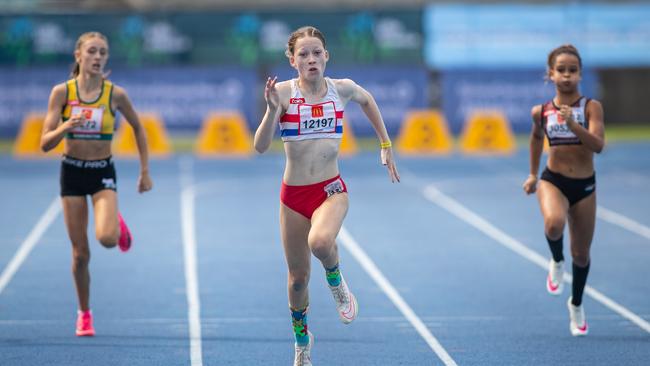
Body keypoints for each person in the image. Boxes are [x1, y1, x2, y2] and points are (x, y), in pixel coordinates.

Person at [254, 26, 399, 365]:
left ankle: (337, 283)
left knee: (320, 242)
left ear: (326, 56)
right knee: (297, 280)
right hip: (293, 196)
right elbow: (259, 147)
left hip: (331, 190)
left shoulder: (342, 89)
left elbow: (369, 100)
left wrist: (385, 143)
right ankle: (302, 343)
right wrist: (271, 109)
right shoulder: (284, 94)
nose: (311, 59)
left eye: (317, 52)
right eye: (303, 54)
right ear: (292, 61)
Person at [40, 31, 152, 337]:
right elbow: (44, 144)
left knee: (106, 239)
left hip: (102, 172)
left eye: (103, 52)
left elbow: (139, 129)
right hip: (72, 173)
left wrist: (144, 171)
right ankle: (84, 313)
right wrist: (66, 125)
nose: (98, 57)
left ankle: (113, 222)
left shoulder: (115, 94)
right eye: (92, 51)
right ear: (78, 55)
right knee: (80, 254)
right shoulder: (61, 93)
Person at [523, 44, 605, 337]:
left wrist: (573, 124)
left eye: (572, 70)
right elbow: (535, 139)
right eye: (561, 70)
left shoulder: (591, 107)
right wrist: (533, 174)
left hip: (584, 185)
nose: (567, 75)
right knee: (554, 224)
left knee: (581, 255)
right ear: (550, 74)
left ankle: (577, 303)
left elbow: (598, 145)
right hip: (553, 179)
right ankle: (556, 260)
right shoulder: (541, 111)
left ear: (580, 74)